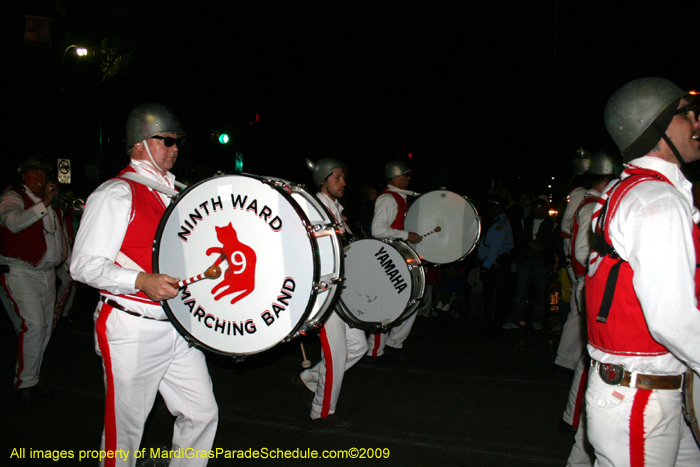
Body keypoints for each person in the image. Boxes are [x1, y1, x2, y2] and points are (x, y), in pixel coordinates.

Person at [70, 103, 218, 467]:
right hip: (131, 326)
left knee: (202, 414)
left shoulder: (175, 194)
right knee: (126, 434)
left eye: (177, 141)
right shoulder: (116, 194)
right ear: (140, 143)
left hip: (176, 326)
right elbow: (83, 265)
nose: (175, 147)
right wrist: (140, 280)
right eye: (166, 140)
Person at [585, 78, 700, 466]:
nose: (697, 124)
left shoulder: (629, 190)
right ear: (657, 128)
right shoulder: (658, 202)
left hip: (645, 393)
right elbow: (674, 320)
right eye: (688, 114)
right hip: (641, 400)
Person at [292, 158, 368, 426]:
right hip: (325, 291)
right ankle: (322, 412)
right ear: (323, 181)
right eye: (337, 178)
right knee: (335, 355)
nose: (344, 183)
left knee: (359, 345)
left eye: (343, 177)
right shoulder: (313, 208)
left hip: (343, 291)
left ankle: (310, 378)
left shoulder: (335, 209)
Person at [560, 150, 619, 467]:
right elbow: (582, 250)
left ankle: (573, 419)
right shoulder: (591, 203)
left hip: (592, 283)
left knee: (588, 358)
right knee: (592, 359)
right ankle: (575, 421)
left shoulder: (592, 202)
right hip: (592, 285)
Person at [0, 156, 71, 407]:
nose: (40, 179)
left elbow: (61, 234)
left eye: (44, 175)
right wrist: (46, 203)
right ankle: (24, 383)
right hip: (21, 271)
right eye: (35, 175)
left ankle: (30, 378)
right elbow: (12, 223)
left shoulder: (51, 203)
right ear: (24, 177)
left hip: (48, 273)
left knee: (45, 327)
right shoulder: (13, 198)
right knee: (34, 326)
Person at [366, 160, 421, 361]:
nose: (409, 179)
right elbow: (377, 230)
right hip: (388, 260)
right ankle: (375, 350)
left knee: (412, 300)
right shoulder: (389, 198)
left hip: (399, 258)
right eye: (406, 175)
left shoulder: (400, 198)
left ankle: (394, 343)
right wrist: (407, 235)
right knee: (387, 304)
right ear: (396, 177)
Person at [503, 195, 557, 330]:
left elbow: (554, 242)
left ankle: (537, 320)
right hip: (526, 261)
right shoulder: (524, 222)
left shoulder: (552, 224)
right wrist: (529, 244)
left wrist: (542, 248)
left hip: (542, 262)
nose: (539, 210)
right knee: (520, 292)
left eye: (542, 207)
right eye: (537, 207)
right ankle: (515, 320)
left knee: (539, 292)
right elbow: (519, 239)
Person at [476, 197, 514, 335]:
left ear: (499, 209)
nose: (490, 210)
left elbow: (495, 248)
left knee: (493, 299)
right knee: (491, 297)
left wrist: (486, 266)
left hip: (496, 265)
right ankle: (491, 326)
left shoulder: (500, 225)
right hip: (494, 264)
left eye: (493, 207)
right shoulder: (497, 222)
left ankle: (492, 328)